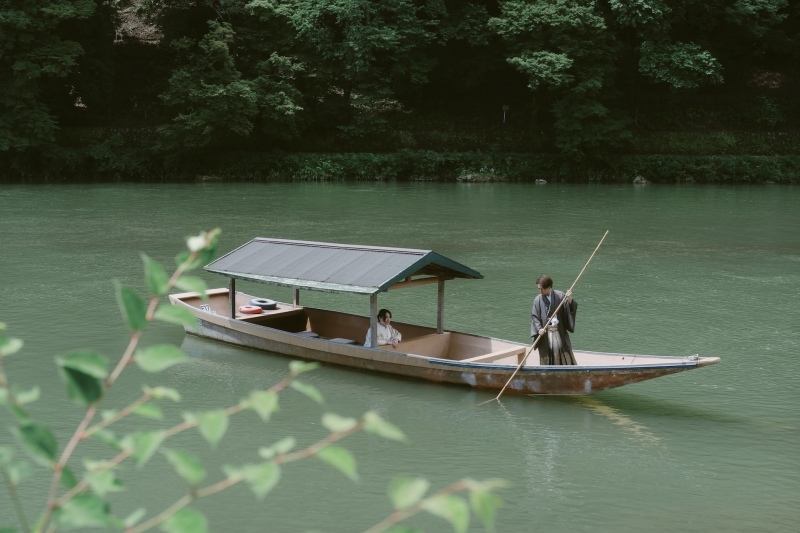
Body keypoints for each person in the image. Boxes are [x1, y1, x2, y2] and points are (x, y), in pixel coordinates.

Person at [531, 275, 578, 365]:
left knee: (563, 354)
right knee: (547, 356)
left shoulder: (560, 295)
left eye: (542, 289)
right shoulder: (537, 300)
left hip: (559, 331)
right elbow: (534, 317)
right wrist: (539, 328)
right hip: (545, 334)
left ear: (549, 287)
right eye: (539, 289)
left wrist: (569, 299)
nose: (540, 291)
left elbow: (569, 309)